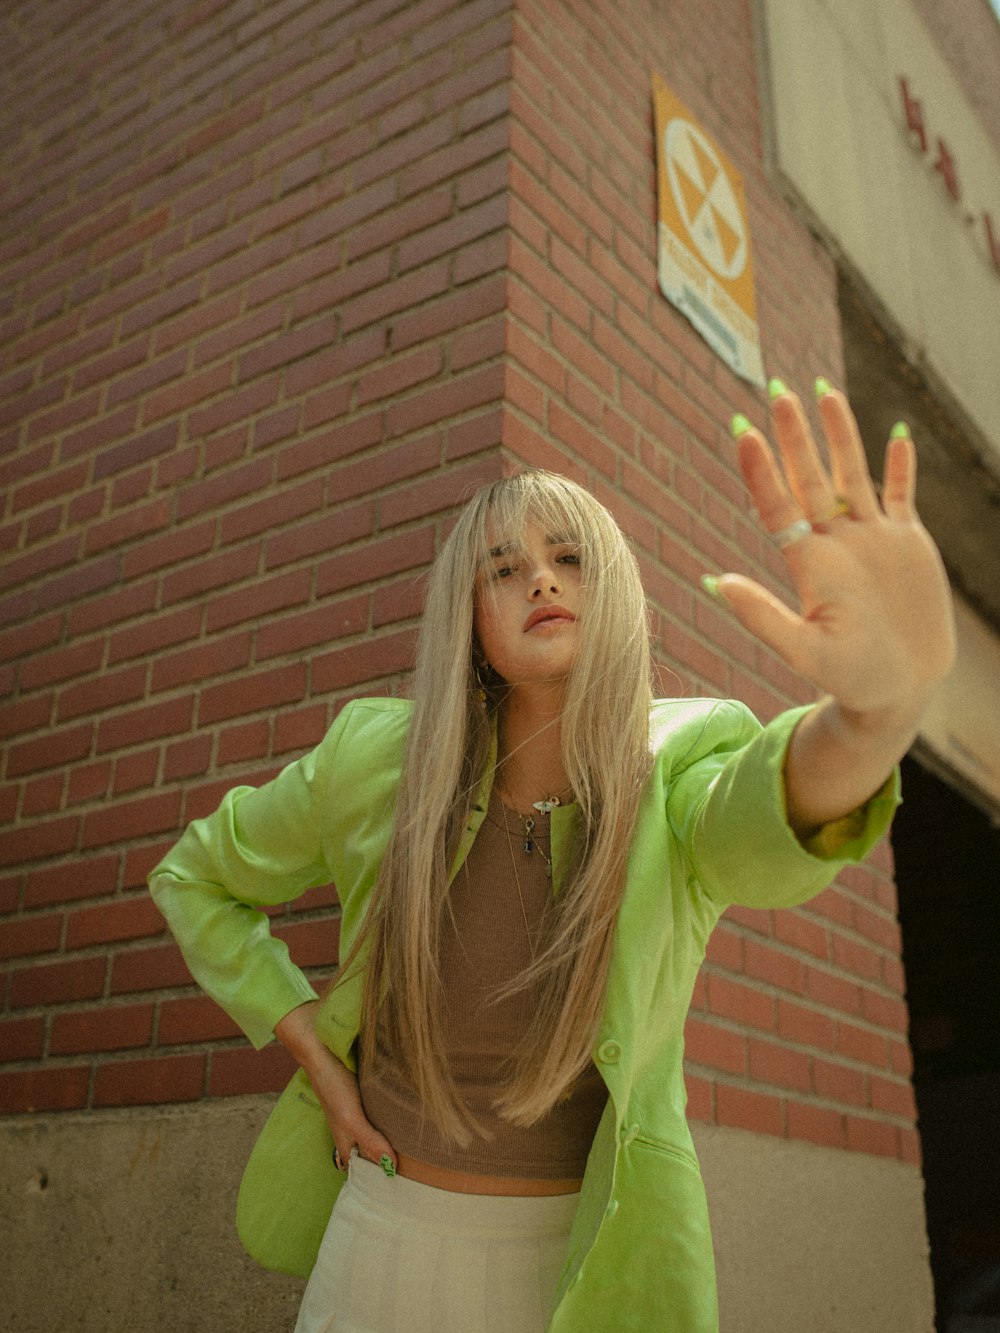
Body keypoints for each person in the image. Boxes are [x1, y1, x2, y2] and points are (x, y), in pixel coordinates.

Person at [149, 380, 955, 1332]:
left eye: (569, 557)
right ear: (473, 627)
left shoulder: (684, 760)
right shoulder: (371, 760)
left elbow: (766, 825)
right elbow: (193, 876)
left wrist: (872, 719)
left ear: (610, 589)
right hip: (380, 1234)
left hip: (587, 1273)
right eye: (505, 567)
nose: (542, 577)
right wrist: (313, 1051)